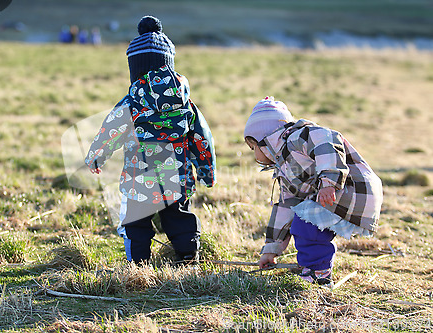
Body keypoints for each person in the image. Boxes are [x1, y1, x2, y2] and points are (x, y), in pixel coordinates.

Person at [85, 16, 216, 264]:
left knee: (136, 221)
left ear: (134, 68)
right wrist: (207, 171)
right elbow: (202, 139)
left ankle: (139, 264)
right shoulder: (185, 102)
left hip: (139, 179)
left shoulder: (131, 102)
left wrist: (96, 156)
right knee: (178, 217)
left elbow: (111, 129)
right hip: (177, 178)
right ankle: (187, 257)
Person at [244, 96, 383, 286]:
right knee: (302, 223)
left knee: (306, 226)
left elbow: (327, 141)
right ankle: (314, 269)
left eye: (253, 148)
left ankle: (318, 273)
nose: (255, 155)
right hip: (337, 192)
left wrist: (328, 182)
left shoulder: (297, 138)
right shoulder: (284, 167)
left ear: (263, 141)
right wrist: (271, 249)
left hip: (352, 187)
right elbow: (287, 205)